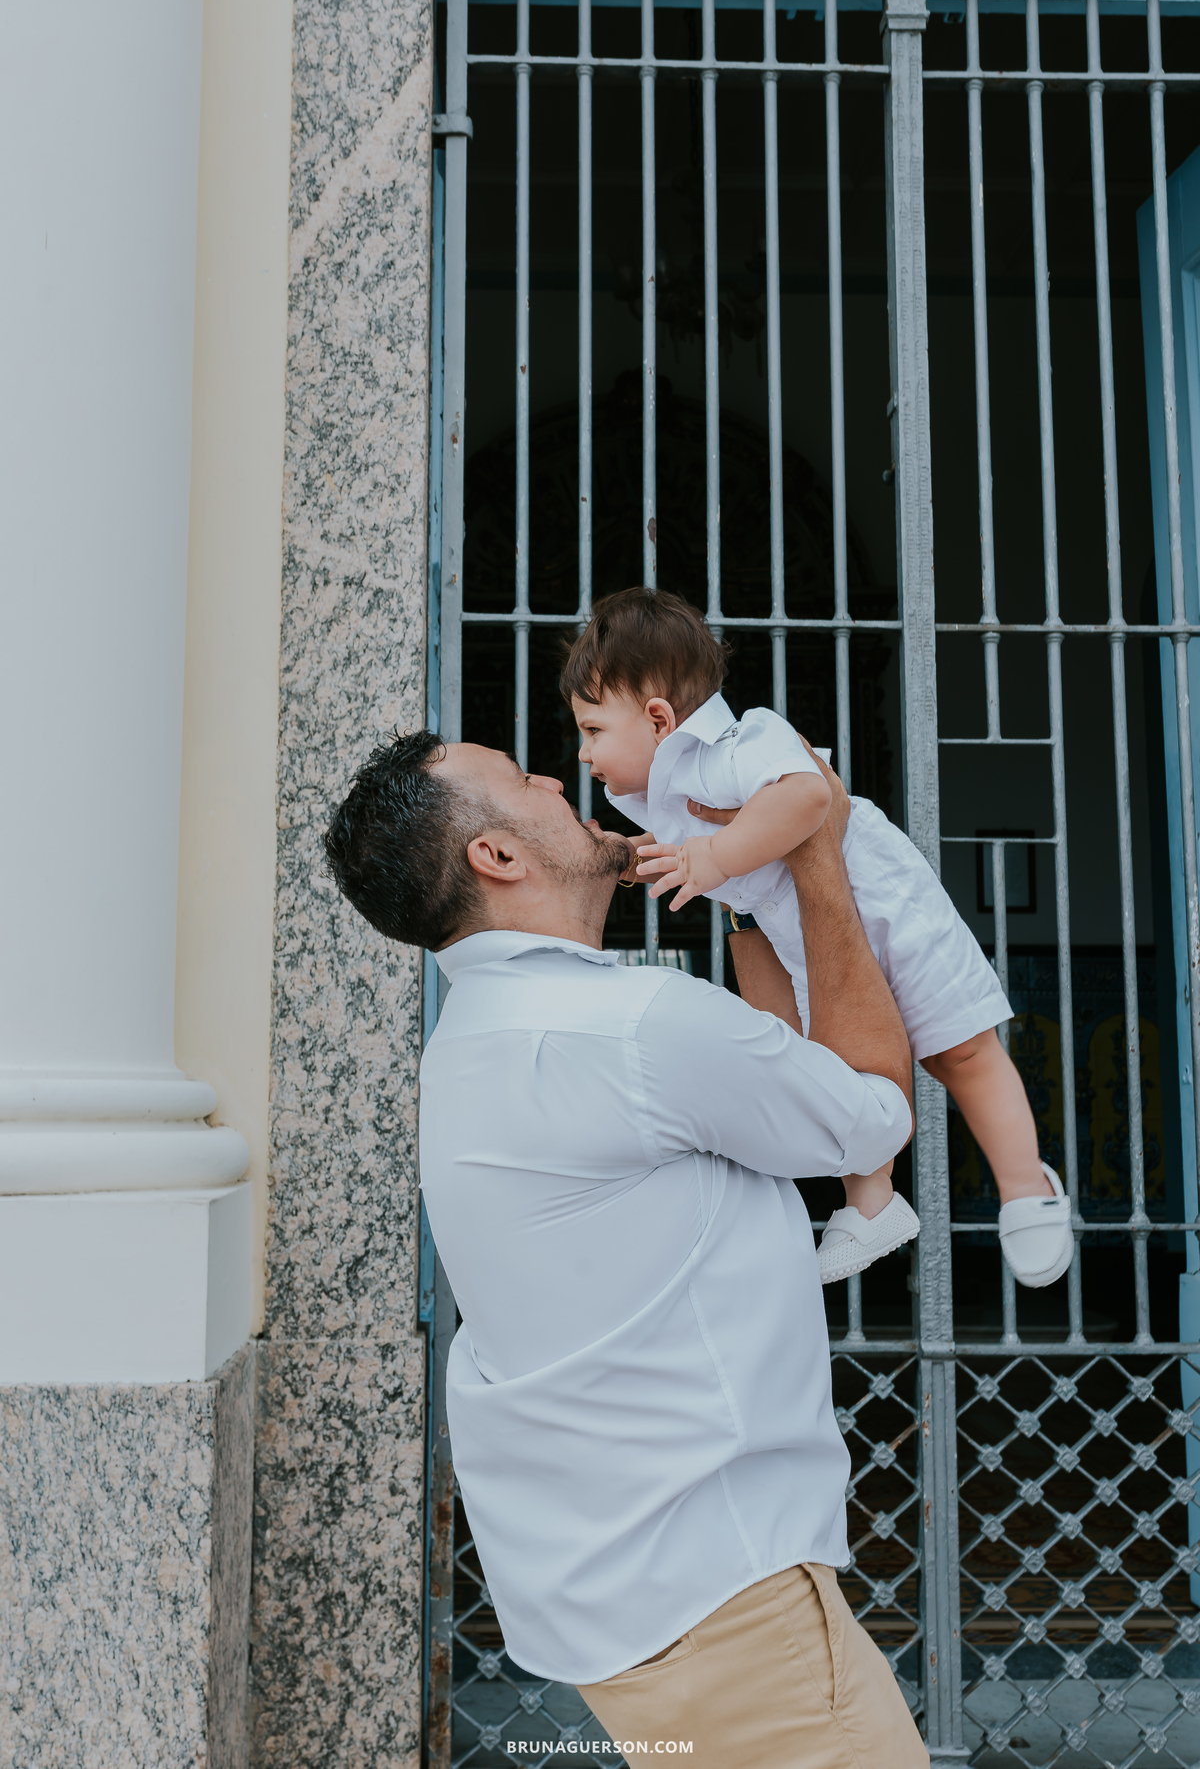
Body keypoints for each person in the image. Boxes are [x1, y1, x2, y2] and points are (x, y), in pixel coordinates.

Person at [324, 727, 929, 1766]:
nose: (557, 777)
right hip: (728, 1600)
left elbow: (751, 1077)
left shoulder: (475, 1043)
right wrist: (815, 847)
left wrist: (743, 890)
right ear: (497, 858)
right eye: (522, 781)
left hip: (615, 1602)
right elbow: (872, 1117)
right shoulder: (636, 1026)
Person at [561, 585, 1072, 1292]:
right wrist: (623, 855)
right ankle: (872, 1204)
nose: (582, 750)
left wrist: (713, 857)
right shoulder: (666, 795)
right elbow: (685, 850)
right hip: (804, 930)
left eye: (591, 729)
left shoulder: (745, 740)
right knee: (847, 1067)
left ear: (657, 717)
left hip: (884, 901)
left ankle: (1025, 1184)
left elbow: (807, 797)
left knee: (961, 1048)